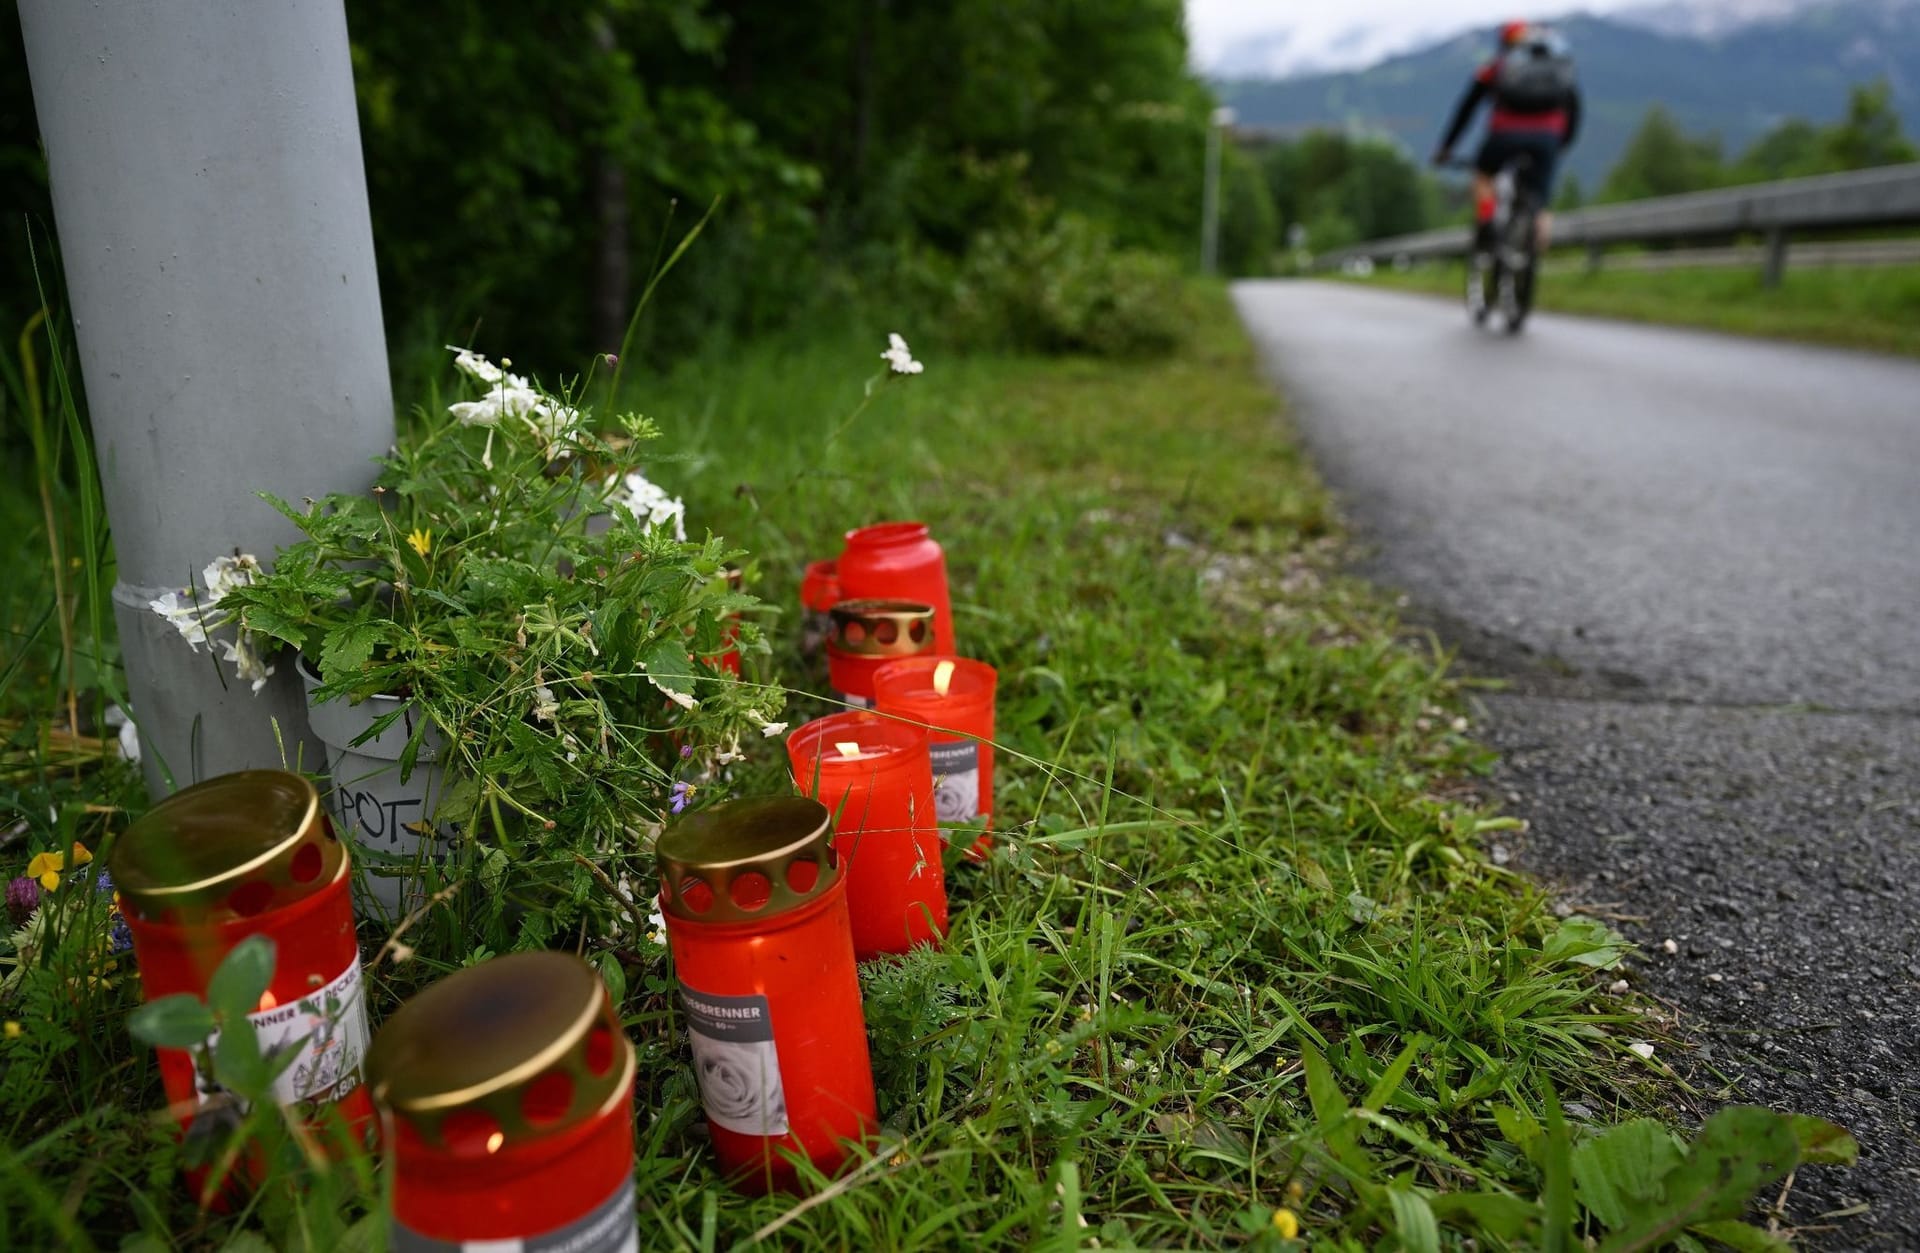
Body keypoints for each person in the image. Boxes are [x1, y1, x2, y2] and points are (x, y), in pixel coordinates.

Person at [1432, 21, 1582, 252]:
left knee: (1483, 175)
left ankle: (1487, 221)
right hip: (1548, 137)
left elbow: (1466, 109)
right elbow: (1574, 109)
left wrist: (1446, 147)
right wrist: (1561, 144)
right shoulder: (1556, 67)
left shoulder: (1496, 67)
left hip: (1504, 134)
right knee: (1541, 202)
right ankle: (1532, 258)